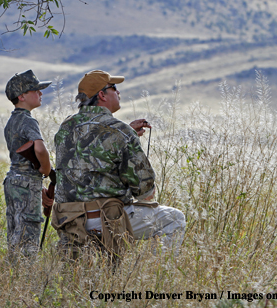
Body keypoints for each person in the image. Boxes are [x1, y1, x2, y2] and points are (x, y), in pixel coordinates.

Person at [51, 70, 186, 256]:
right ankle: (158, 276)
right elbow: (145, 190)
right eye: (114, 88)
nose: (119, 92)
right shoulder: (120, 132)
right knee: (175, 219)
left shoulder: (65, 128)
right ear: (102, 95)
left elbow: (89, 146)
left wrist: (126, 134)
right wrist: (128, 137)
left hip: (70, 219)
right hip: (107, 218)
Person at [3, 70, 54, 256]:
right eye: (36, 90)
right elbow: (39, 149)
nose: (40, 93)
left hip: (13, 180)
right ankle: (26, 274)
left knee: (16, 229)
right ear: (22, 96)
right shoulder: (28, 120)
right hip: (28, 180)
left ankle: (14, 272)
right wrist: (46, 170)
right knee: (29, 232)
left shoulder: (11, 121)